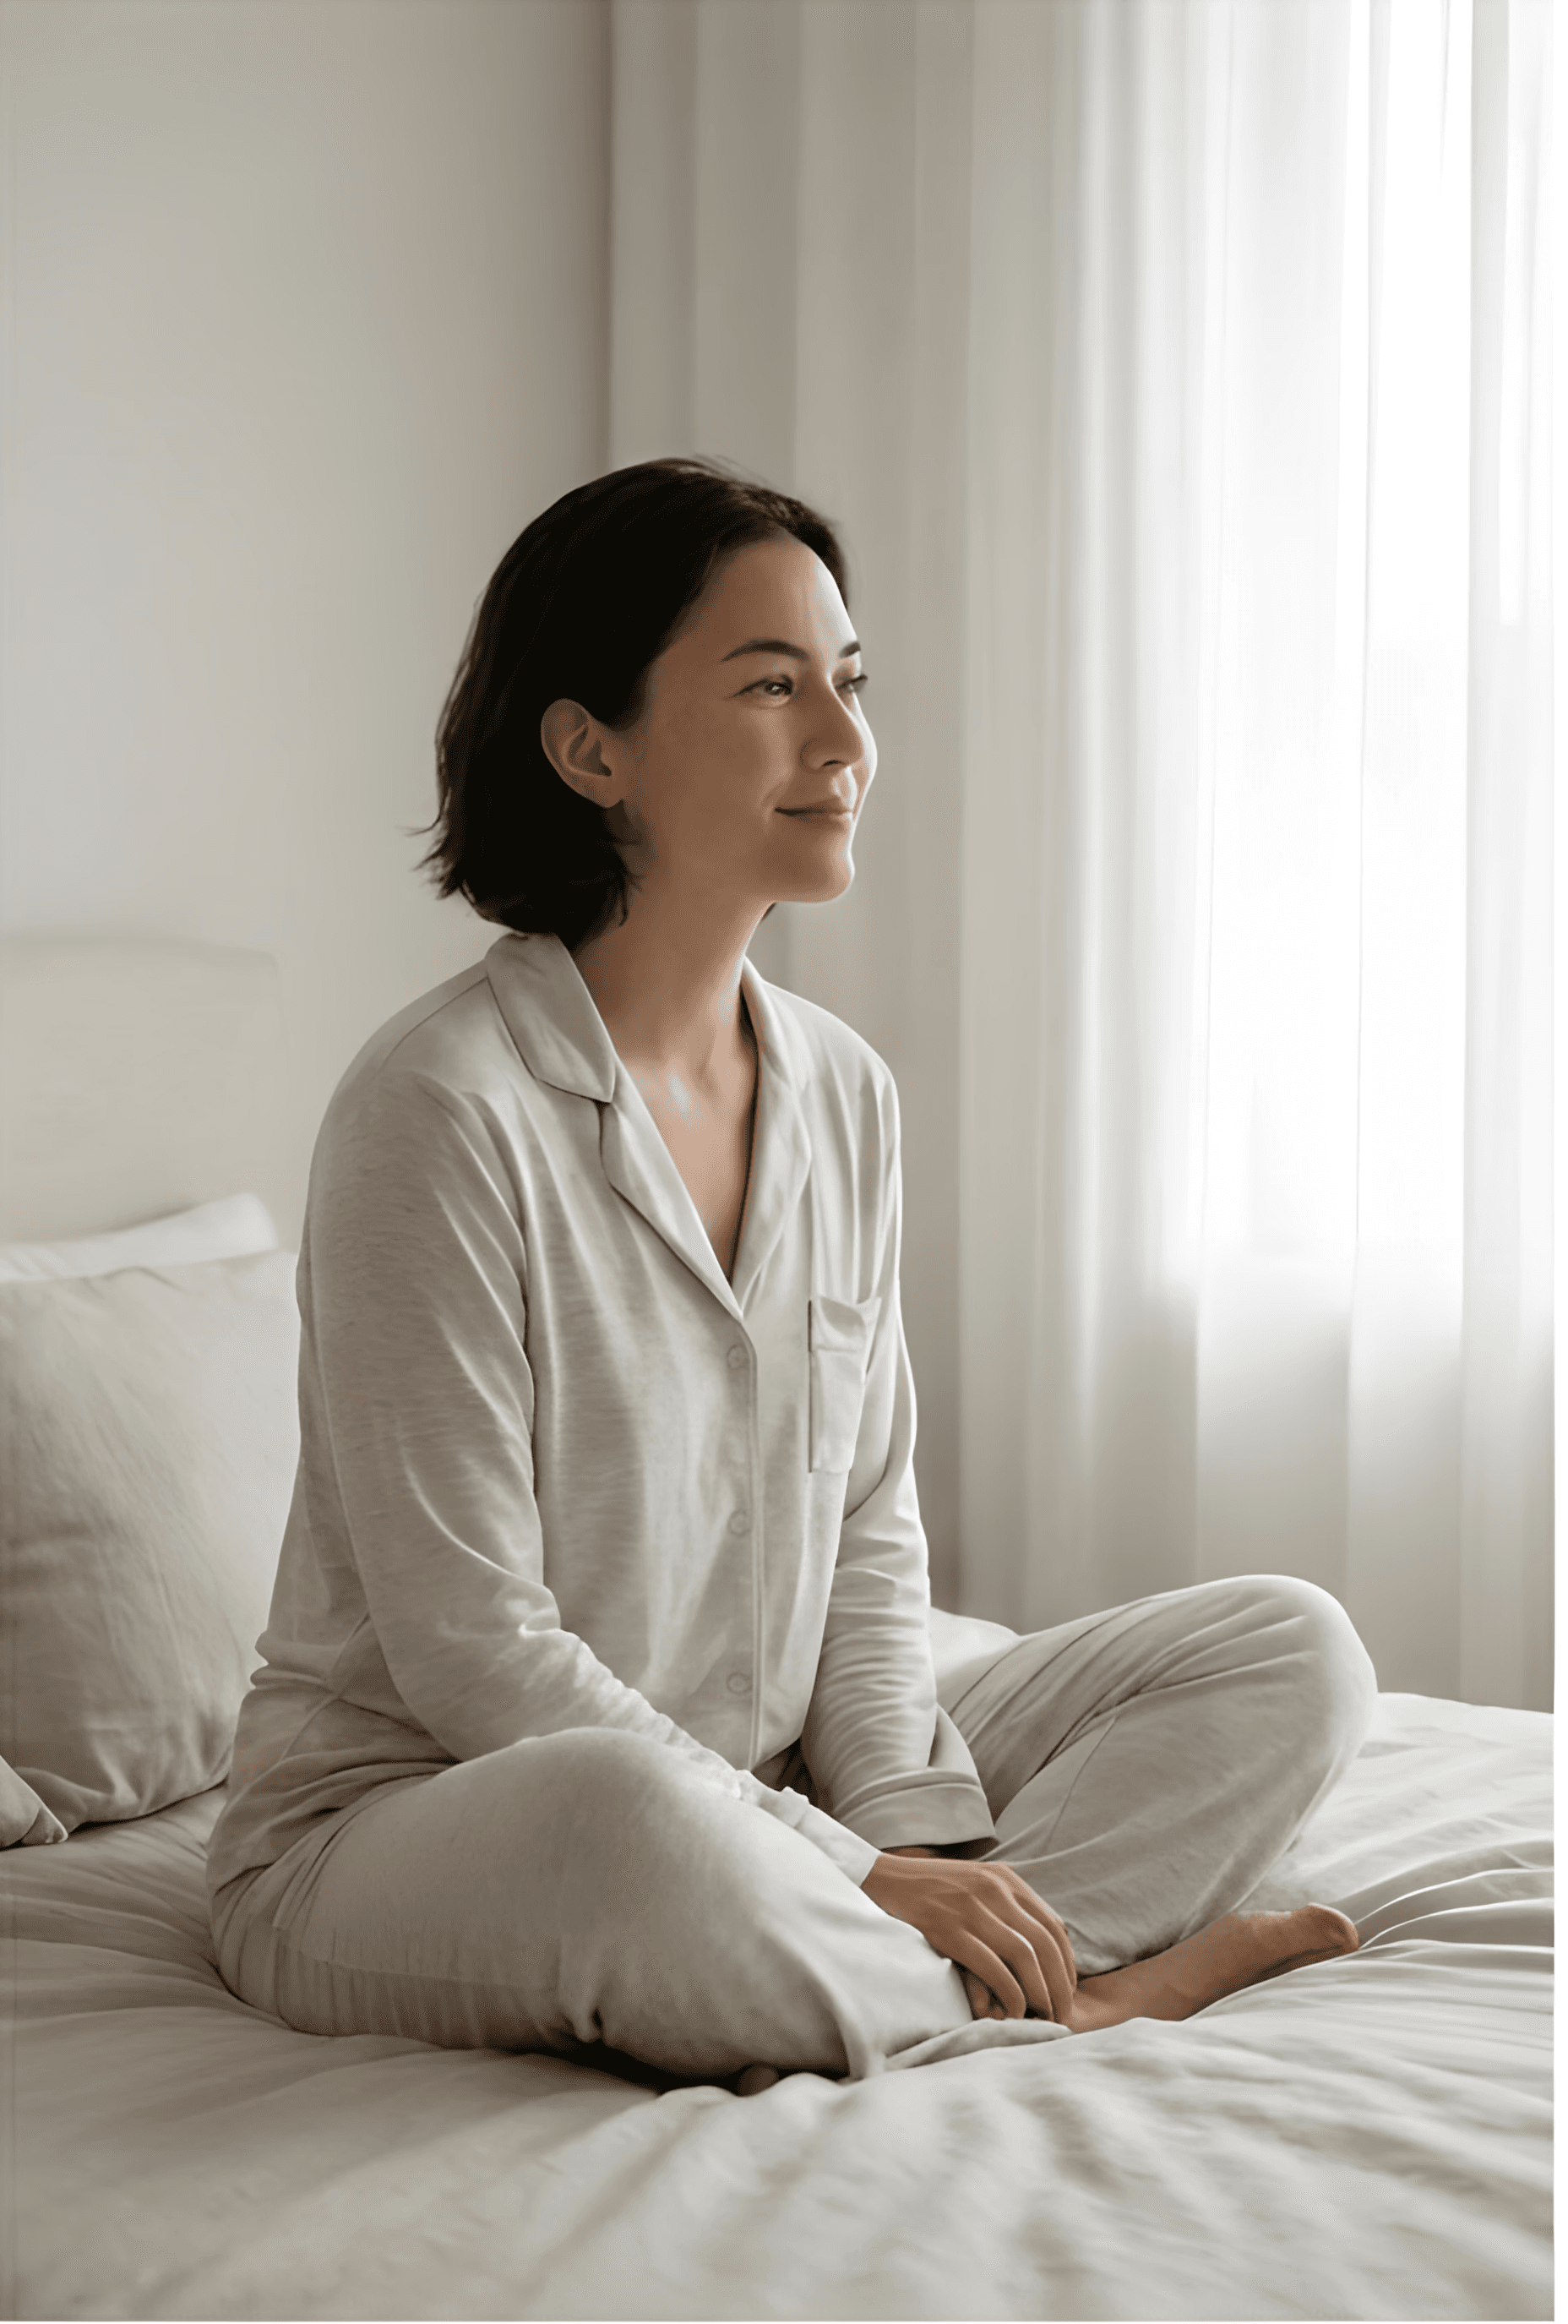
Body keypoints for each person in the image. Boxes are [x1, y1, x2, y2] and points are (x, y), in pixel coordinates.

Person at [207, 457, 1376, 2093]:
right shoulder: (435, 1111)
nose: (845, 741)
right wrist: (842, 1867)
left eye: (849, 681)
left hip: (775, 1785)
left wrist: (899, 1821)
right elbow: (475, 1649)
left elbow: (869, 1531)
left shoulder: (842, 1092)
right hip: (425, 1813)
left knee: (1293, 1646)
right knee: (639, 1837)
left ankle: (959, 1965)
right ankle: (1068, 1993)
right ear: (587, 746)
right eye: (772, 687)